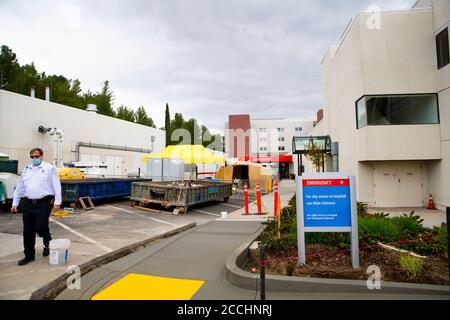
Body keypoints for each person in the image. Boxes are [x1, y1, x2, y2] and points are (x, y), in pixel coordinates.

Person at [11, 148, 62, 266]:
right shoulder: (26, 170)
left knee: (40, 227)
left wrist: (57, 202)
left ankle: (47, 242)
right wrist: (15, 203)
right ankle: (29, 255)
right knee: (28, 231)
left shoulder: (49, 169)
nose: (34, 159)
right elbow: (20, 187)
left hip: (43, 203)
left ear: (42, 156)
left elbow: (56, 185)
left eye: (36, 156)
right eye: (32, 157)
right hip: (27, 203)